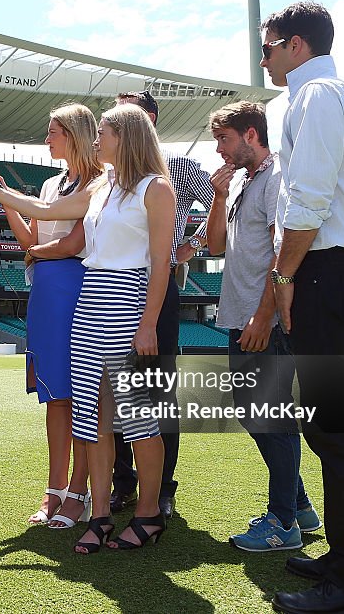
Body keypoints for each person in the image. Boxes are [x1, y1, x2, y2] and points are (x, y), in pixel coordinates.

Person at [0, 104, 176, 554]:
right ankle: (100, 515)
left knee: (137, 416)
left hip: (128, 297)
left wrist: (148, 324)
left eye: (103, 133)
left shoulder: (155, 188)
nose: (96, 140)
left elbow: (162, 262)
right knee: (92, 416)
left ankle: (148, 514)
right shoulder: (102, 186)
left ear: (126, 137)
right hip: (90, 301)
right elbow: (42, 207)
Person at [260, 1, 344, 614]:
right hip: (334, 269)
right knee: (330, 429)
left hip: (326, 269)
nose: (264, 58)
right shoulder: (328, 95)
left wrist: (285, 274)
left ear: (296, 46)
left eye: (269, 47)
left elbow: (308, 194)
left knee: (338, 433)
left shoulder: (317, 97)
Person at [204, 101, 321, 553]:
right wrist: (217, 194)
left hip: (263, 320)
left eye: (225, 140)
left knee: (271, 419)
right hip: (239, 315)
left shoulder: (276, 178)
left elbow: (283, 252)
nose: (220, 150)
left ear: (251, 134)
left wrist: (264, 315)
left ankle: (284, 523)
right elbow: (214, 245)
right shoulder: (238, 183)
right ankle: (300, 505)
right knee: (257, 415)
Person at [0, 104, 104, 528]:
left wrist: (35, 248)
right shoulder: (52, 184)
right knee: (55, 395)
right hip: (46, 291)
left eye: (53, 132)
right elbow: (31, 237)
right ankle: (54, 491)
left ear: (73, 133)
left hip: (77, 287)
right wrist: (12, 207)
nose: (47, 139)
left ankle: (79, 492)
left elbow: (71, 244)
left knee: (83, 397)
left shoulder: (99, 182)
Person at [109, 91, 215, 518]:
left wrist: (191, 244)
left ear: (149, 119)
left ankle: (163, 488)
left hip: (160, 285)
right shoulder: (110, 172)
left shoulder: (183, 168)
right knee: (116, 389)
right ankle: (123, 484)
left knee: (158, 390)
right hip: (113, 288)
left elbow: (219, 206)